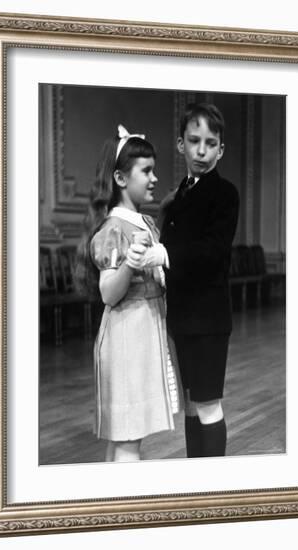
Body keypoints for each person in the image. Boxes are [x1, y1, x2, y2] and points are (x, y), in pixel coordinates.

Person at [76, 125, 182, 462]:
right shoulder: (114, 229)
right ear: (121, 179)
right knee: (127, 440)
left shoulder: (144, 223)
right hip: (126, 339)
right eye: (146, 171)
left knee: (125, 438)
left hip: (144, 333)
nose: (154, 178)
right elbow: (108, 293)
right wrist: (130, 264)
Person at [159, 103, 240, 458]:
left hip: (208, 321)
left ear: (221, 149)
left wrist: (165, 255)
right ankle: (197, 480)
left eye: (210, 143)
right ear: (181, 145)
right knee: (191, 405)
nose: (202, 151)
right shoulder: (179, 194)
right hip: (181, 318)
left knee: (208, 405)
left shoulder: (225, 195)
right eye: (194, 141)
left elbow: (213, 252)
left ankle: (214, 488)